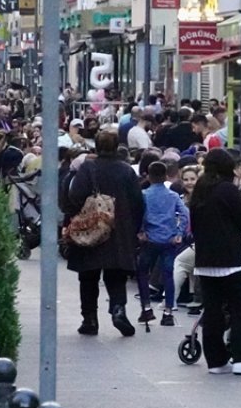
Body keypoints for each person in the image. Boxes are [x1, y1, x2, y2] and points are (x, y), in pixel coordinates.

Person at [189, 148, 241, 375]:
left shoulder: (200, 191)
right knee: (239, 307)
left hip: (204, 259)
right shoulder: (227, 190)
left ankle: (216, 360)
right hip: (229, 258)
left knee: (212, 310)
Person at [66, 131, 145, 338]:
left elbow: (74, 196)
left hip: (90, 229)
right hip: (118, 231)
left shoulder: (88, 168)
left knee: (88, 277)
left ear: (96, 147)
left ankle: (90, 319)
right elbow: (138, 201)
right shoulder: (126, 171)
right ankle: (118, 309)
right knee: (117, 275)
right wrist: (132, 228)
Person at [135, 162, 189, 327]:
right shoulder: (173, 196)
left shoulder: (143, 195)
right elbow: (185, 214)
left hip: (150, 240)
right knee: (168, 275)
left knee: (142, 271)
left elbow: (138, 215)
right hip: (168, 240)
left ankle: (146, 308)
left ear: (148, 177)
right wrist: (179, 233)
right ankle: (168, 312)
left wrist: (141, 231)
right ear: (166, 176)